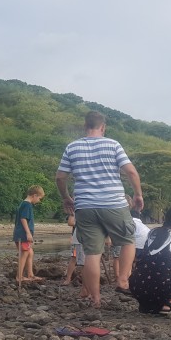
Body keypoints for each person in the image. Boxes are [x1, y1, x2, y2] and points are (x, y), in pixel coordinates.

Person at [55, 111, 144, 309]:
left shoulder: (72, 147)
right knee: (128, 240)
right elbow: (130, 171)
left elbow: (60, 177)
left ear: (85, 126)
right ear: (103, 127)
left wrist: (66, 198)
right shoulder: (113, 144)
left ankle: (95, 299)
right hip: (113, 203)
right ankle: (122, 280)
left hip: (85, 206)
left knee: (92, 254)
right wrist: (137, 194)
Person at [129, 207, 171, 314]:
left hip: (137, 286)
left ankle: (146, 305)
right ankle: (167, 305)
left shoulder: (152, 232)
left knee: (153, 270)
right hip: (161, 288)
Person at [13, 185, 45, 283]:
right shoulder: (27, 205)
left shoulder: (24, 204)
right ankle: (19, 277)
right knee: (25, 253)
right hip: (23, 234)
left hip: (20, 233)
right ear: (34, 195)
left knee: (30, 252)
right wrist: (28, 233)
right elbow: (23, 219)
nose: (39, 201)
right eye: (39, 198)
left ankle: (30, 274)